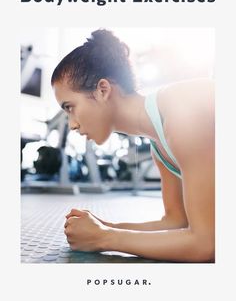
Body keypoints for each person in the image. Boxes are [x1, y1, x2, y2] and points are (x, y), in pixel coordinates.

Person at [51, 29, 215, 262]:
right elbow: (176, 222)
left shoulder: (181, 111)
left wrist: (104, 237)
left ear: (102, 90)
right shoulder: (159, 145)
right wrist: (104, 226)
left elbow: (206, 243)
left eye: (70, 107)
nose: (72, 124)